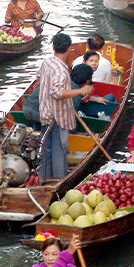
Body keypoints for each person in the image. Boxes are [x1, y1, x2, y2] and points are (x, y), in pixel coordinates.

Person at [38, 33, 93, 180]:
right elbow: (57, 92)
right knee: (59, 152)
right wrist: (80, 91)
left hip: (45, 113)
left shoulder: (47, 62)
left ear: (53, 47)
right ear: (69, 48)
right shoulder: (61, 70)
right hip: (57, 118)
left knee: (46, 150)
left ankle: (44, 179)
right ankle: (58, 181)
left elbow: (40, 78)